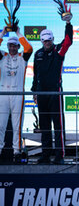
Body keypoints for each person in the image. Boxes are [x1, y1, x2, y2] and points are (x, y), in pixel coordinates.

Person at [31, 19, 73, 164]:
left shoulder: (58, 50)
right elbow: (36, 74)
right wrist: (34, 91)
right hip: (42, 93)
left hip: (55, 93)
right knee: (44, 126)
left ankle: (60, 155)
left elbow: (68, 41)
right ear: (42, 41)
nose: (47, 43)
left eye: (49, 40)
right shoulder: (37, 54)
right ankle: (45, 154)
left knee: (58, 125)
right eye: (45, 41)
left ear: (52, 40)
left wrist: (68, 24)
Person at [0, 27, 33, 163]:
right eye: (10, 45)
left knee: (16, 125)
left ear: (18, 46)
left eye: (15, 46)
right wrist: (2, 33)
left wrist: (18, 33)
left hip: (18, 94)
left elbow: (29, 48)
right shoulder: (2, 56)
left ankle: (17, 152)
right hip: (2, 94)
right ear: (7, 46)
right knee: (0, 125)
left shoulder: (22, 58)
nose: (13, 48)